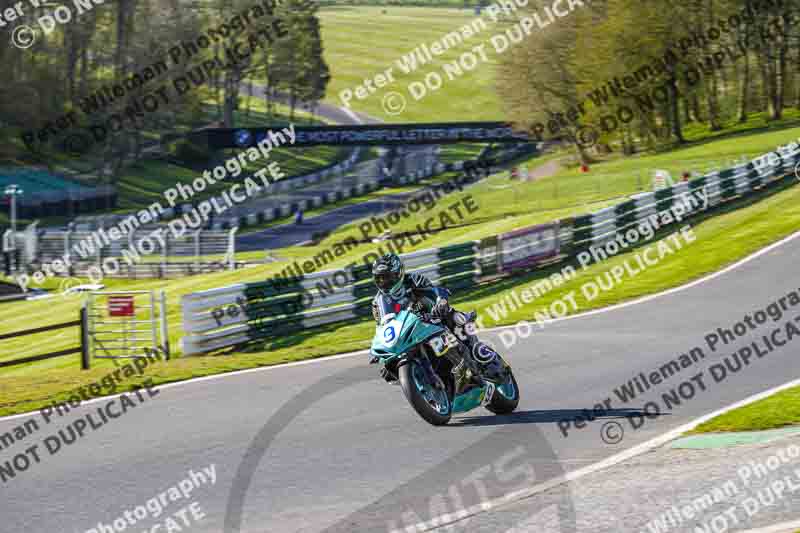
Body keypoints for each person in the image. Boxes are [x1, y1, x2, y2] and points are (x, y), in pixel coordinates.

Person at [369, 253, 478, 353]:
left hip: (431, 318)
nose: (383, 282)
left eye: (387, 277)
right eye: (379, 278)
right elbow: (382, 327)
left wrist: (441, 302)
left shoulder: (414, 280)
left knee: (453, 316)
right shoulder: (378, 301)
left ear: (398, 273)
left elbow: (435, 291)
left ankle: (475, 348)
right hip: (407, 334)